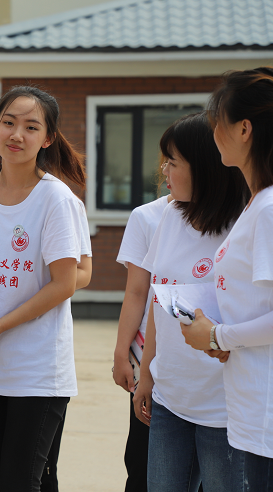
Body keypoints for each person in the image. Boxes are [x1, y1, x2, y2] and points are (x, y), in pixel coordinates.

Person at [0, 85, 86, 491]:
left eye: (30, 126)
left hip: (37, 372)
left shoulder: (55, 199)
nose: (16, 134)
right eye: (8, 122)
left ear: (47, 139)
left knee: (20, 483)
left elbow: (64, 285)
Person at [133, 112, 248, 492]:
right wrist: (147, 371)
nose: (164, 170)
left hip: (223, 408)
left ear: (204, 167)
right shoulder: (169, 215)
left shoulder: (244, 226)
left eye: (173, 162)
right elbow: (157, 297)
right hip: (170, 399)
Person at [180, 67, 273, 491]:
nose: (212, 130)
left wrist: (219, 335)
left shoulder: (269, 209)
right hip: (250, 406)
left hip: (265, 415)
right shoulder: (258, 203)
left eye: (216, 119)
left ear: (244, 128)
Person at [113, 167, 172, 492]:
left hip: (210, 360)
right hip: (150, 357)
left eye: (176, 160)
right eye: (167, 159)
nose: (165, 169)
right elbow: (138, 292)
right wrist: (122, 354)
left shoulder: (237, 213)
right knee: (143, 463)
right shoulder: (148, 217)